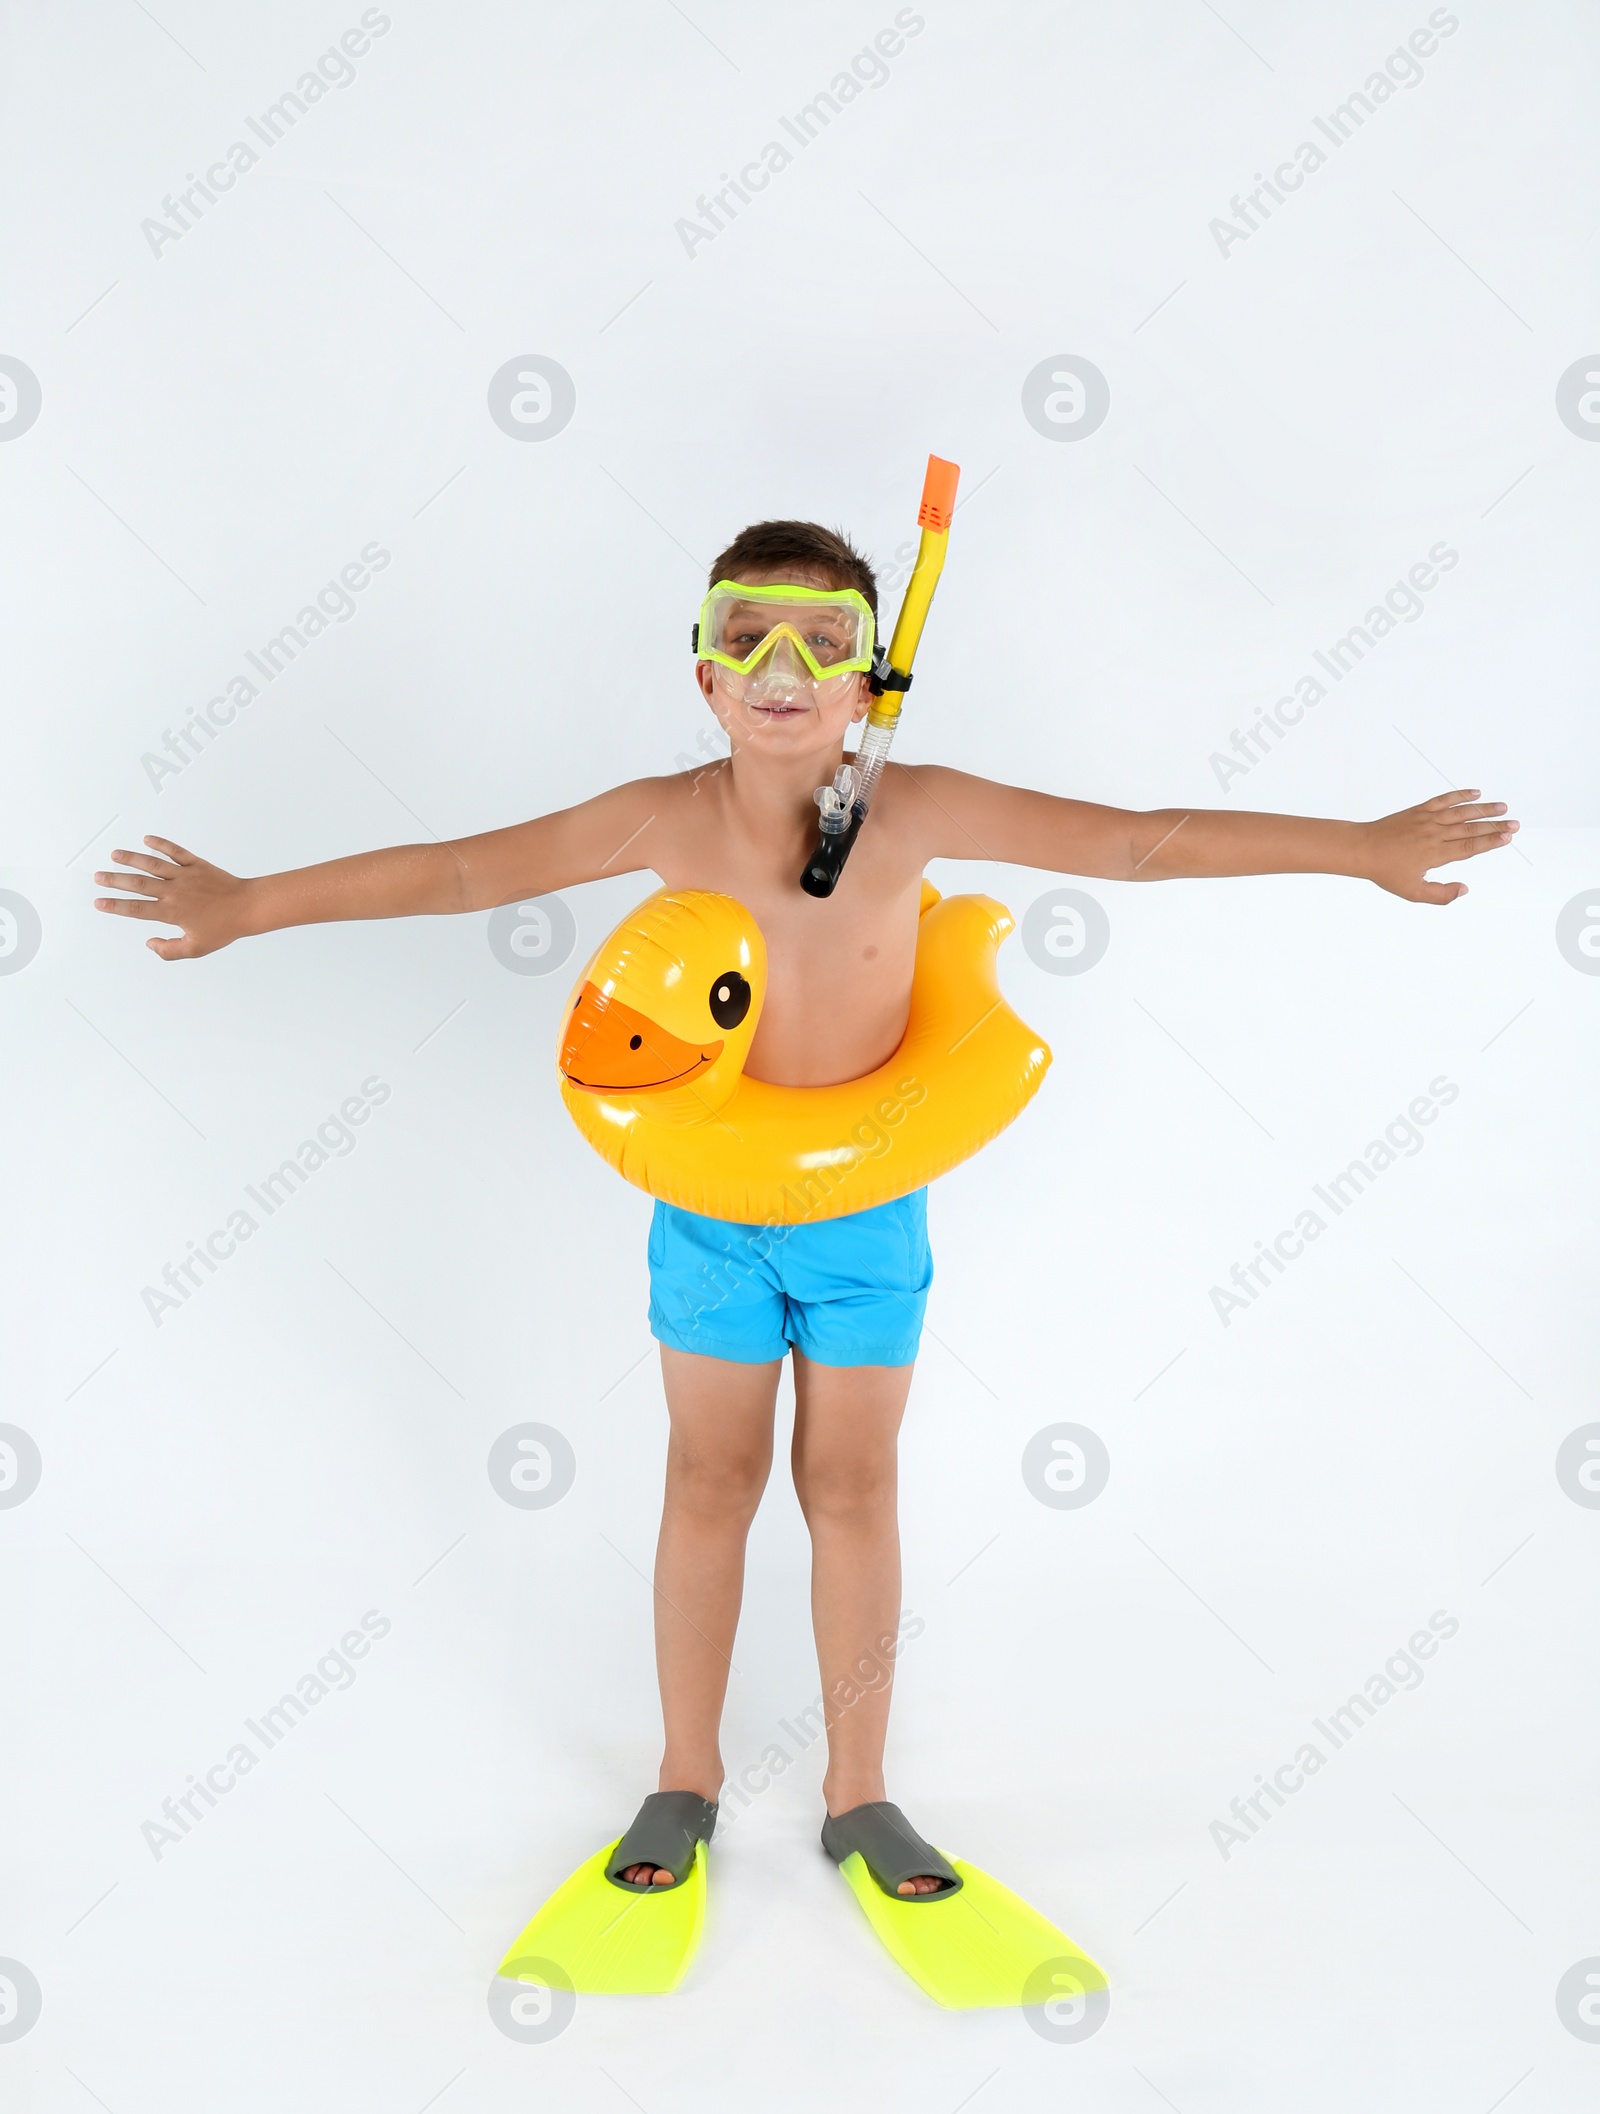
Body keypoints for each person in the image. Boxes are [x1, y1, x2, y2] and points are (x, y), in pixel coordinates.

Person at [93, 516, 1513, 1942]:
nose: (784, 664)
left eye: (826, 640)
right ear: (704, 676)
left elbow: (1136, 843)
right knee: (710, 1481)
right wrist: (250, 904)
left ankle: (858, 1793)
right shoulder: (665, 818)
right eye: (748, 634)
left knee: (851, 1486)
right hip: (709, 1215)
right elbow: (470, 872)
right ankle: (684, 1780)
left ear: (870, 685)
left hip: (866, 1217)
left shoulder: (918, 811)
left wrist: (1363, 848)